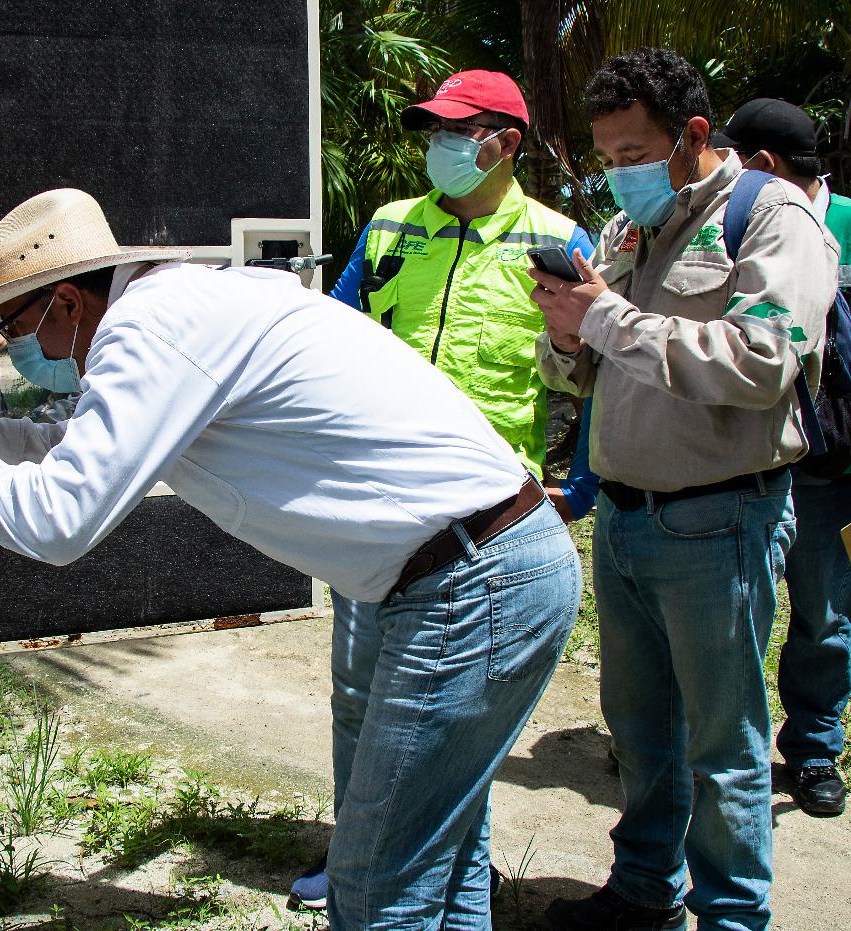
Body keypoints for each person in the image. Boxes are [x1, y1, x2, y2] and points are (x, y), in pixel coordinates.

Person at [0, 188, 581, 929]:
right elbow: (87, 446)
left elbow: (61, 518)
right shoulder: (179, 310)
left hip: (472, 581)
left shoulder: (148, 328)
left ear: (67, 305)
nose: (13, 348)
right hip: (488, 560)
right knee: (443, 858)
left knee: (375, 883)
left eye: (13, 326)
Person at [529, 49, 837, 931]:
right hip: (626, 520)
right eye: (607, 157)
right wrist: (568, 332)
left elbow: (762, 361)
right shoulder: (630, 231)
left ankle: (732, 915)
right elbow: (594, 370)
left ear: (694, 135)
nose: (618, 175)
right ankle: (643, 893)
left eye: (633, 154)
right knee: (639, 730)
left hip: (720, 518)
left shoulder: (772, 219)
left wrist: (608, 318)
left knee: (722, 742)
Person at [290, 69, 601, 913]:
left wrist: (586, 484)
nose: (440, 146)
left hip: (487, 523)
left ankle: (449, 867)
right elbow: (331, 334)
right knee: (360, 697)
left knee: (455, 715)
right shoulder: (393, 226)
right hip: (376, 512)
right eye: (433, 130)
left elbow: (595, 372)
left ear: (507, 142)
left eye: (457, 131)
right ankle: (362, 848)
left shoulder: (559, 239)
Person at [713, 97, 850, 817]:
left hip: (832, 464)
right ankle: (719, 747)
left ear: (761, 165)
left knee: (826, 613)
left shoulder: (844, 223)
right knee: (740, 613)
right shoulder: (730, 222)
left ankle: (815, 748)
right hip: (751, 453)